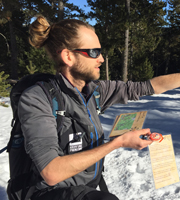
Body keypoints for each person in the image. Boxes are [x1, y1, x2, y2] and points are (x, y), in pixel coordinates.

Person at [17, 15, 180, 200]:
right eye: (94, 52)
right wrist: (119, 142)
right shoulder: (37, 99)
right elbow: (51, 172)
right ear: (68, 56)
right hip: (49, 192)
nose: (101, 59)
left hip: (87, 186)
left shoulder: (96, 91)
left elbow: (148, 87)